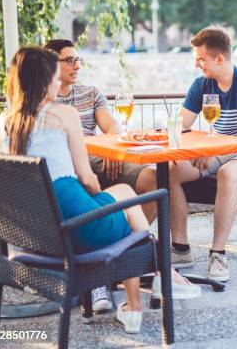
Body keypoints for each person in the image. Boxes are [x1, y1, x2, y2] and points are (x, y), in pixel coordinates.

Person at [0, 47, 201, 334]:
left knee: (121, 199)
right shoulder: (63, 114)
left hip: (33, 236)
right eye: (54, 79)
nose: (59, 84)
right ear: (41, 82)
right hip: (76, 231)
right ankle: (160, 274)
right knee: (127, 199)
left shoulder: (4, 123)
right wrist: (94, 192)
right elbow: (88, 179)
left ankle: (137, 302)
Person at [43, 39, 160, 313]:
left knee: (154, 178)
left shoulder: (90, 92)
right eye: (68, 60)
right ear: (50, 64)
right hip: (71, 169)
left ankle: (128, 256)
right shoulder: (45, 103)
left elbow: (113, 128)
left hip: (100, 161)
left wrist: (109, 150)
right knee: (88, 191)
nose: (76, 65)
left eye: (77, 59)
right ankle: (103, 273)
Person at [166, 25, 237, 282]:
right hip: (218, 152)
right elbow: (182, 123)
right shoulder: (201, 85)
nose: (197, 65)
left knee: (228, 173)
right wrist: (169, 130)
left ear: (220, 58)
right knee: (170, 173)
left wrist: (216, 149)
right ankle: (180, 249)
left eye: (201, 59)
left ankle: (218, 253)